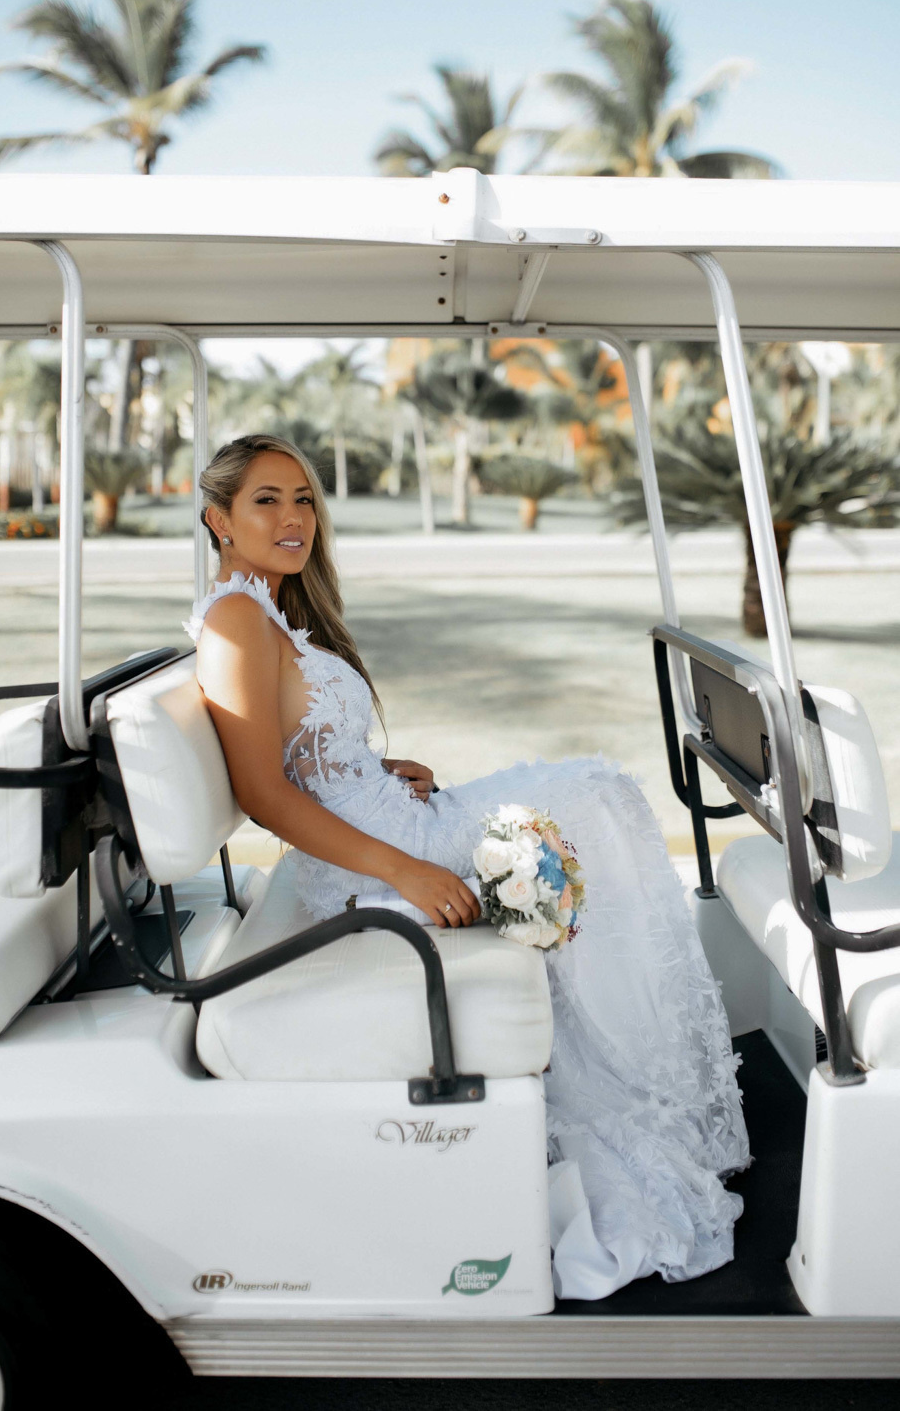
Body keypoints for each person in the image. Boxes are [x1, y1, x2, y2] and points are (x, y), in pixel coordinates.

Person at [186, 433, 750, 1300]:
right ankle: (658, 1096)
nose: (294, 518)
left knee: (596, 794)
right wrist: (406, 872)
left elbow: (307, 758)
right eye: (267, 500)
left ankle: (660, 1093)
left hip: (393, 821)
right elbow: (265, 794)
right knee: (596, 795)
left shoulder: (269, 610)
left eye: (303, 499)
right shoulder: (235, 620)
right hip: (383, 862)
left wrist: (377, 771)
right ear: (219, 518)